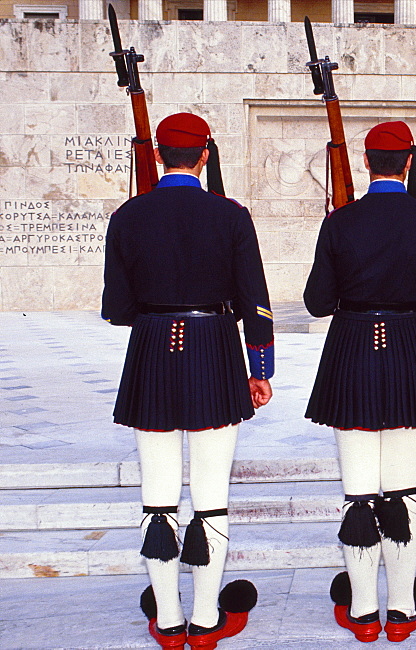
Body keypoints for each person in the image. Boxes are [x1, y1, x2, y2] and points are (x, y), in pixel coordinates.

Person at [102, 112, 272, 648]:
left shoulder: (128, 216)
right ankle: (205, 620)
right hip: (214, 350)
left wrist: (157, 312)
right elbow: (255, 303)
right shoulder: (231, 215)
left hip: (152, 350)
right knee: (211, 495)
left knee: (157, 497)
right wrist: (259, 370)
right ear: (205, 155)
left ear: (156, 155)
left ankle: (168, 622)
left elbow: (116, 307)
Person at [303, 121, 416, 643]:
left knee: (358, 493)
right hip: (412, 350)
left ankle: (364, 612)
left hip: (350, 348)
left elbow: (317, 303)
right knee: (403, 489)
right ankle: (401, 608)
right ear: (409, 163)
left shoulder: (339, 222)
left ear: (367, 164)